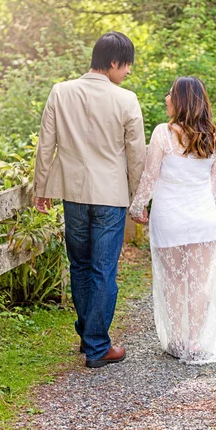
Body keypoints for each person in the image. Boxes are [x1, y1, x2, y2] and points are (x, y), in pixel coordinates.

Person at [33, 32, 146, 368]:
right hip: (110, 196)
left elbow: (45, 144)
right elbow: (136, 155)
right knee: (103, 270)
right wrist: (138, 199)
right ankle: (97, 347)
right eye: (126, 65)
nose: (128, 72)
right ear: (113, 62)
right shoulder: (126, 100)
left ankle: (88, 337)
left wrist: (41, 188)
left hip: (72, 193)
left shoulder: (61, 92)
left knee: (80, 265)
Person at [130, 76, 216, 365]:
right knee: (199, 283)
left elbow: (149, 178)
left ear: (182, 100)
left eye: (170, 94)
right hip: (202, 219)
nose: (166, 98)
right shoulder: (215, 138)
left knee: (173, 281)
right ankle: (197, 343)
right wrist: (213, 219)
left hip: (170, 218)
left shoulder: (163, 134)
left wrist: (137, 208)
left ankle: (177, 341)